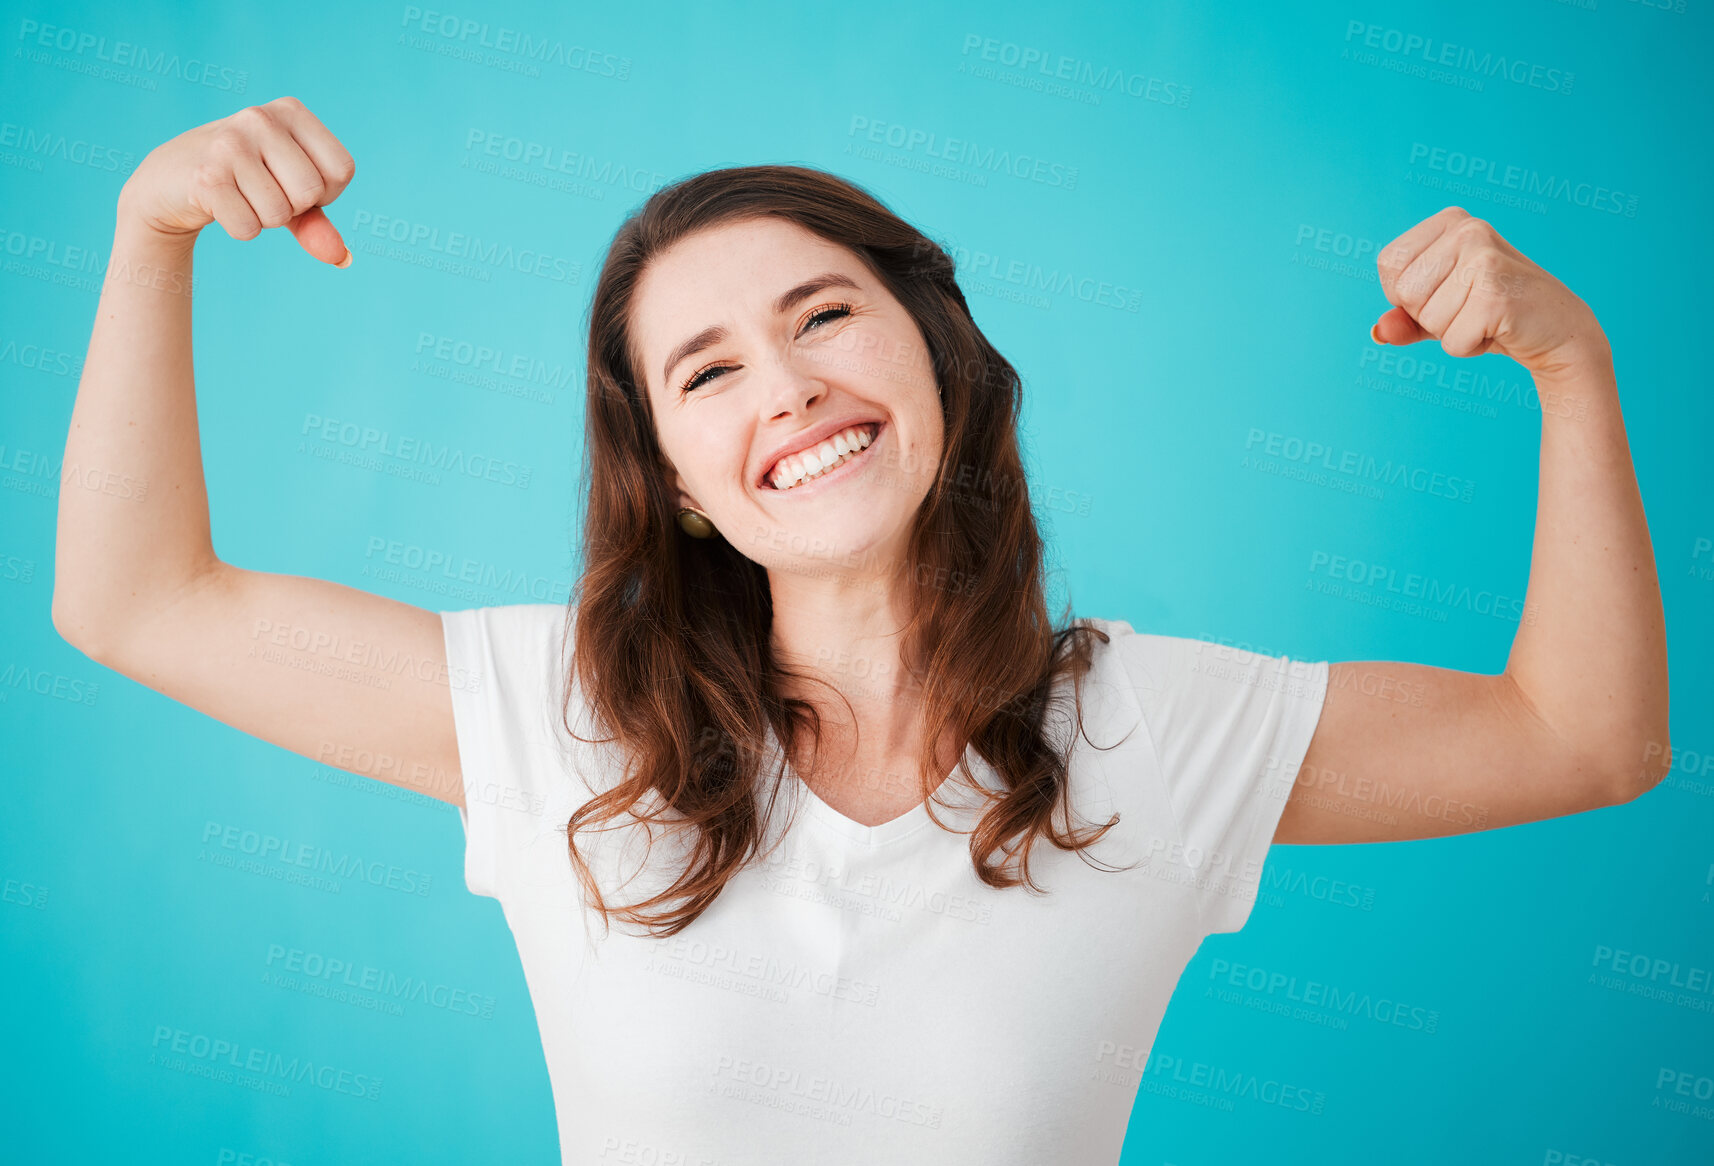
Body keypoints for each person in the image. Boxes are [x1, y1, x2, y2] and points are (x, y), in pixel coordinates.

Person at [53, 97, 1671, 1165]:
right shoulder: (558, 715)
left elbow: (1583, 735)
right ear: (677, 480)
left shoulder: (1152, 731)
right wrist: (150, 227)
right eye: (705, 371)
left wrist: (1571, 369)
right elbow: (137, 598)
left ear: (937, 357)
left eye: (823, 314)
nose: (787, 387)